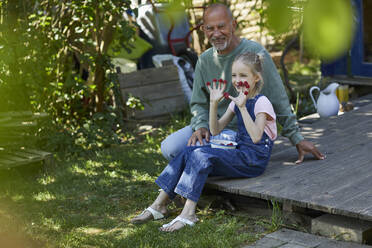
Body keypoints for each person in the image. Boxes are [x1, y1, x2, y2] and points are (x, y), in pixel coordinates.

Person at [161, 3, 325, 164]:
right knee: (170, 148)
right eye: (210, 28)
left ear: (233, 25)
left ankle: (210, 163)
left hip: (246, 132)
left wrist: (296, 138)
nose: (216, 34)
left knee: (204, 154)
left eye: (221, 27)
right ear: (203, 30)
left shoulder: (255, 53)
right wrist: (200, 126)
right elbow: (199, 103)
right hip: (214, 128)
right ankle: (209, 163)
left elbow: (278, 98)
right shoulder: (204, 60)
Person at [131, 51, 277, 232]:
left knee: (201, 155)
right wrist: (213, 103)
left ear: (256, 78)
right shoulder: (237, 101)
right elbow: (215, 130)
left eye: (243, 75)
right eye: (234, 75)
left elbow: (256, 137)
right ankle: (159, 204)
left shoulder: (262, 103)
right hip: (239, 152)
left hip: (253, 160)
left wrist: (243, 108)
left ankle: (188, 214)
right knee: (190, 150)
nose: (237, 80)